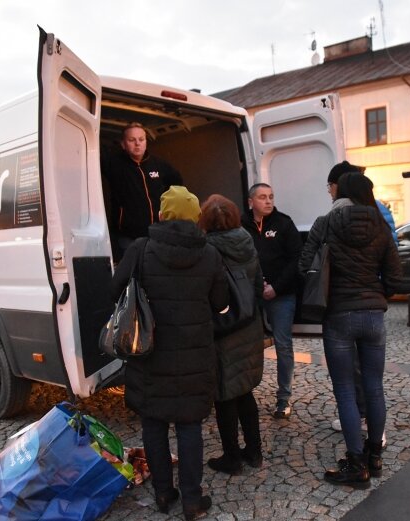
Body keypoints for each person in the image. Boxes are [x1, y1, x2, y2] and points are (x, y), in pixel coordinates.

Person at [110, 185, 228, 519]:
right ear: (195, 217)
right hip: (195, 356)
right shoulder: (209, 254)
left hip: (150, 354)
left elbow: (114, 289)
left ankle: (164, 494)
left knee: (154, 424)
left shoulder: (140, 249)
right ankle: (192, 501)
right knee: (190, 427)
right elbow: (221, 303)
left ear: (160, 215)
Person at [299, 172, 402, 488]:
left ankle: (356, 465)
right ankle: (375, 458)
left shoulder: (326, 222)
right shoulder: (381, 227)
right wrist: (374, 296)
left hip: (339, 316)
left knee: (345, 389)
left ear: (339, 193)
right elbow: (395, 280)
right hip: (374, 317)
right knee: (374, 386)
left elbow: (305, 265)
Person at [198, 195, 265, 475]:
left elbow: (207, 295)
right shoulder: (247, 242)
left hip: (223, 331)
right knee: (245, 391)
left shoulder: (207, 250)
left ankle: (232, 458)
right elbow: (259, 285)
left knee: (224, 395)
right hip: (249, 328)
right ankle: (255, 452)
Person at [242, 183, 302, 419]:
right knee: (247, 345)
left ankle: (283, 398)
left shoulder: (284, 223)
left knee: (283, 345)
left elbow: (297, 259)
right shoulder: (240, 224)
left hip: (281, 294)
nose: (268, 201)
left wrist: (276, 287)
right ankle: (246, 395)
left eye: (271, 197)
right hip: (251, 295)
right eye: (262, 197)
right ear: (251, 202)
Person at [103, 122, 183, 260]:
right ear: (123, 144)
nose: (137, 144)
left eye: (141, 139)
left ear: (146, 142)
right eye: (132, 140)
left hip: (158, 235)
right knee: (133, 273)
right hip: (128, 237)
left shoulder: (158, 164)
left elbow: (177, 183)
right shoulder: (114, 164)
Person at [326, 161, 397, 245]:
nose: (329, 190)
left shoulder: (334, 216)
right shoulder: (378, 209)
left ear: (342, 184)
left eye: (330, 185)